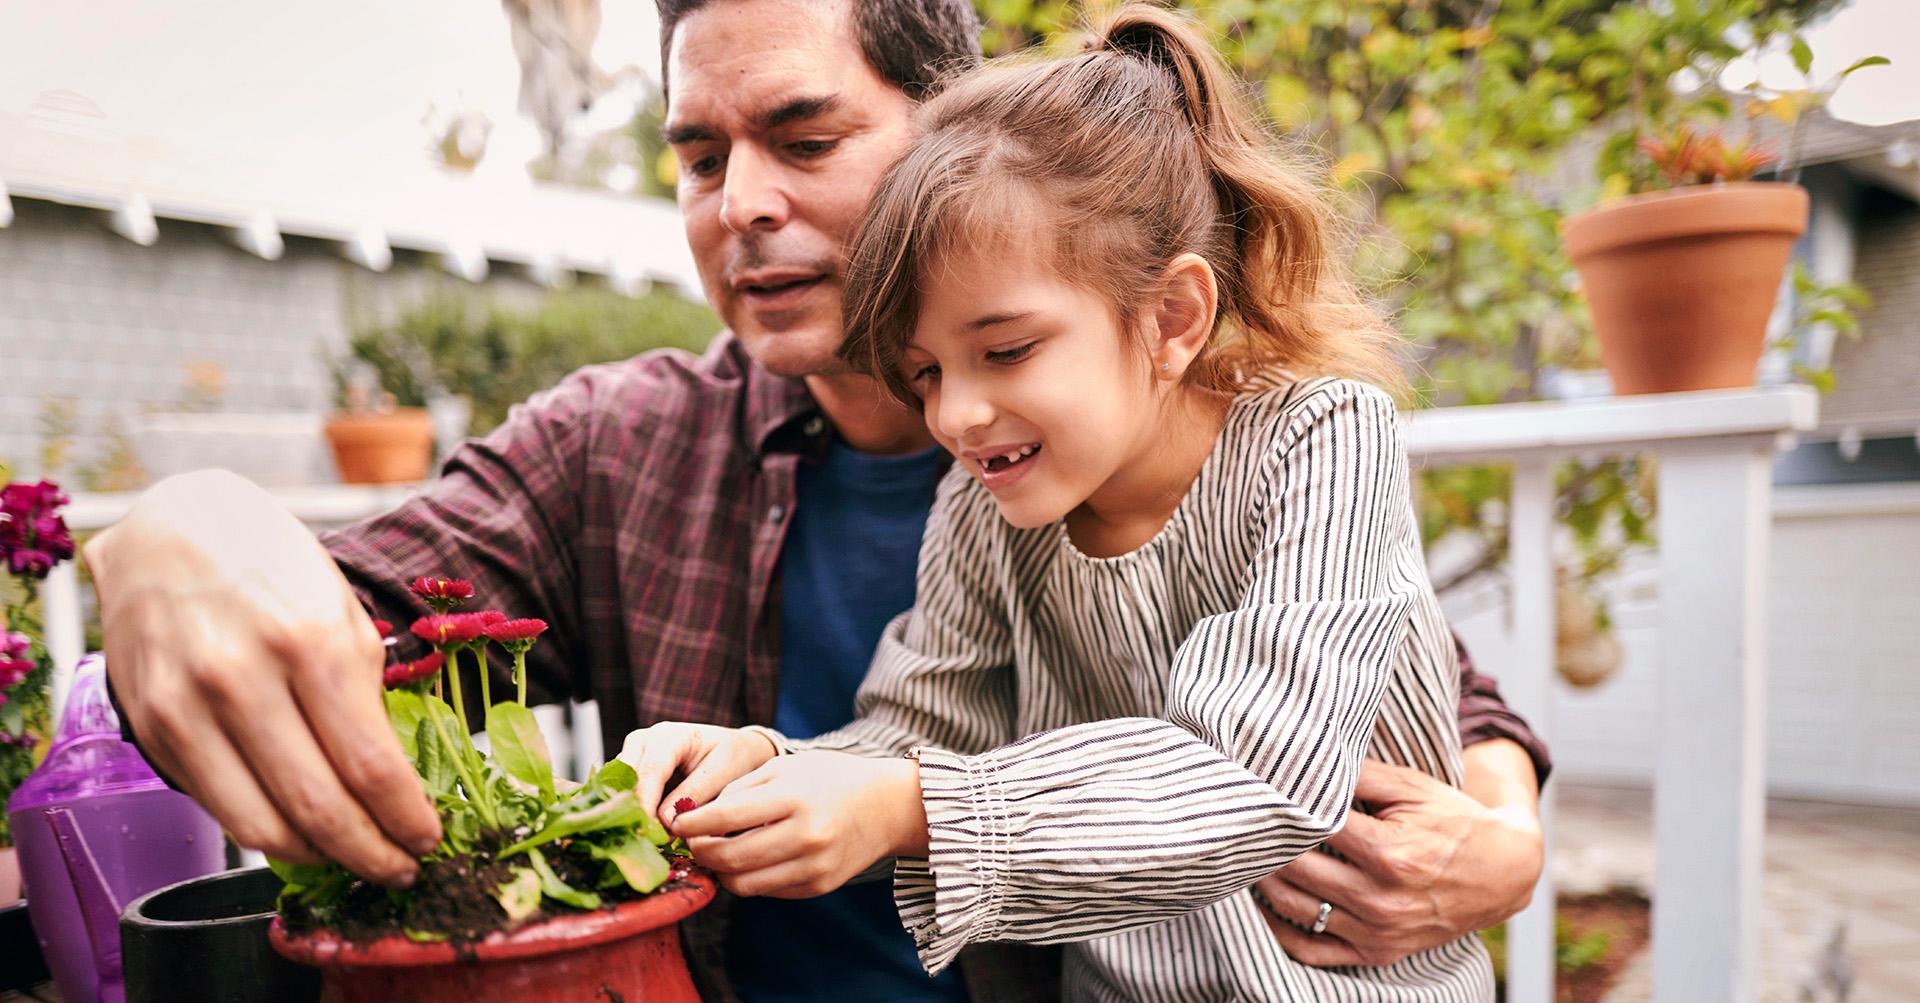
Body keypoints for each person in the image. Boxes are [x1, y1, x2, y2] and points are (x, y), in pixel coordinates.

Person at [82, 0, 1545, 998]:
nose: (742, 205)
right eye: (702, 157)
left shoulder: (1249, 437)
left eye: (803, 135)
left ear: (946, 124)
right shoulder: (627, 443)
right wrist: (179, 525)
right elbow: (916, 725)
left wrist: (1505, 831)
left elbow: (1380, 694)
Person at [619, 6, 1495, 998]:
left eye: (1006, 350)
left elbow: (1259, 774)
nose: (958, 412)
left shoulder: (1320, 441)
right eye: (924, 371)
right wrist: (765, 767)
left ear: (1171, 317)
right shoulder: (981, 509)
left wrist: (914, 805)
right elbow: (919, 733)